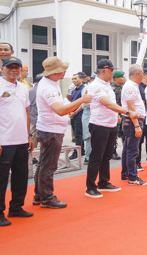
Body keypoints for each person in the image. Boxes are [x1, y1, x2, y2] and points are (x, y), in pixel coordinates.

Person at [34, 56, 91, 209]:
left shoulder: (50, 84)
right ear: (55, 71)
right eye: (62, 69)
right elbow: (60, 110)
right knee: (48, 165)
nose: (65, 71)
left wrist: (71, 107)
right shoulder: (48, 87)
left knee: (43, 164)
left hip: (49, 129)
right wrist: (82, 100)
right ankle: (46, 197)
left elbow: (62, 106)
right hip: (51, 130)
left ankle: (39, 194)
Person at [85, 59, 138, 199]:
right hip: (99, 125)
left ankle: (104, 182)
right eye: (111, 71)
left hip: (110, 124)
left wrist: (117, 116)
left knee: (107, 156)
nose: (113, 73)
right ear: (103, 71)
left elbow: (113, 103)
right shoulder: (96, 85)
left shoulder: (108, 85)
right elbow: (107, 103)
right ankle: (90, 186)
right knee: (96, 157)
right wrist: (126, 112)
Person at [0, 57, 34, 226]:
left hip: (21, 139)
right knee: (1, 178)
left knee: (21, 175)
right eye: (10, 67)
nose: (14, 70)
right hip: (4, 140)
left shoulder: (22, 87)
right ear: (3, 68)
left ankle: (16, 207)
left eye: (17, 68)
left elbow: (26, 112)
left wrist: (29, 135)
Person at [121, 65, 147, 186]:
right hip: (133, 121)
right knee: (132, 150)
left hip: (132, 121)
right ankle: (132, 176)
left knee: (128, 149)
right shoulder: (130, 87)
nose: (143, 76)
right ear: (137, 74)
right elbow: (131, 107)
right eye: (142, 73)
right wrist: (137, 125)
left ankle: (126, 173)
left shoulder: (132, 86)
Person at [137, 68, 147, 172]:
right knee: (139, 141)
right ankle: (137, 162)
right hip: (141, 117)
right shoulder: (138, 87)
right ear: (145, 75)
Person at [68, 72, 86, 160]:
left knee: (78, 135)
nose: (74, 80)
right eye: (73, 79)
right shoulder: (74, 90)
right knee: (76, 134)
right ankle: (81, 150)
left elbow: (83, 103)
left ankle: (77, 152)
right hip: (73, 115)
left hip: (79, 115)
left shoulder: (84, 89)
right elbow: (72, 102)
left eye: (76, 78)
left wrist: (75, 113)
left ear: (82, 79)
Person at [111, 70, 127, 160]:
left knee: (124, 133)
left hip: (123, 113)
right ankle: (113, 151)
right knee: (115, 134)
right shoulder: (111, 88)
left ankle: (125, 149)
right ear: (116, 78)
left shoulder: (123, 87)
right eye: (121, 77)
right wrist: (117, 114)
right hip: (115, 113)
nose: (123, 78)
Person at [28, 74, 43, 152]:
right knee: (35, 136)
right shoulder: (34, 90)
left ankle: (33, 155)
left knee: (35, 136)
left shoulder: (31, 90)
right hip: (36, 117)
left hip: (34, 117)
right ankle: (33, 156)